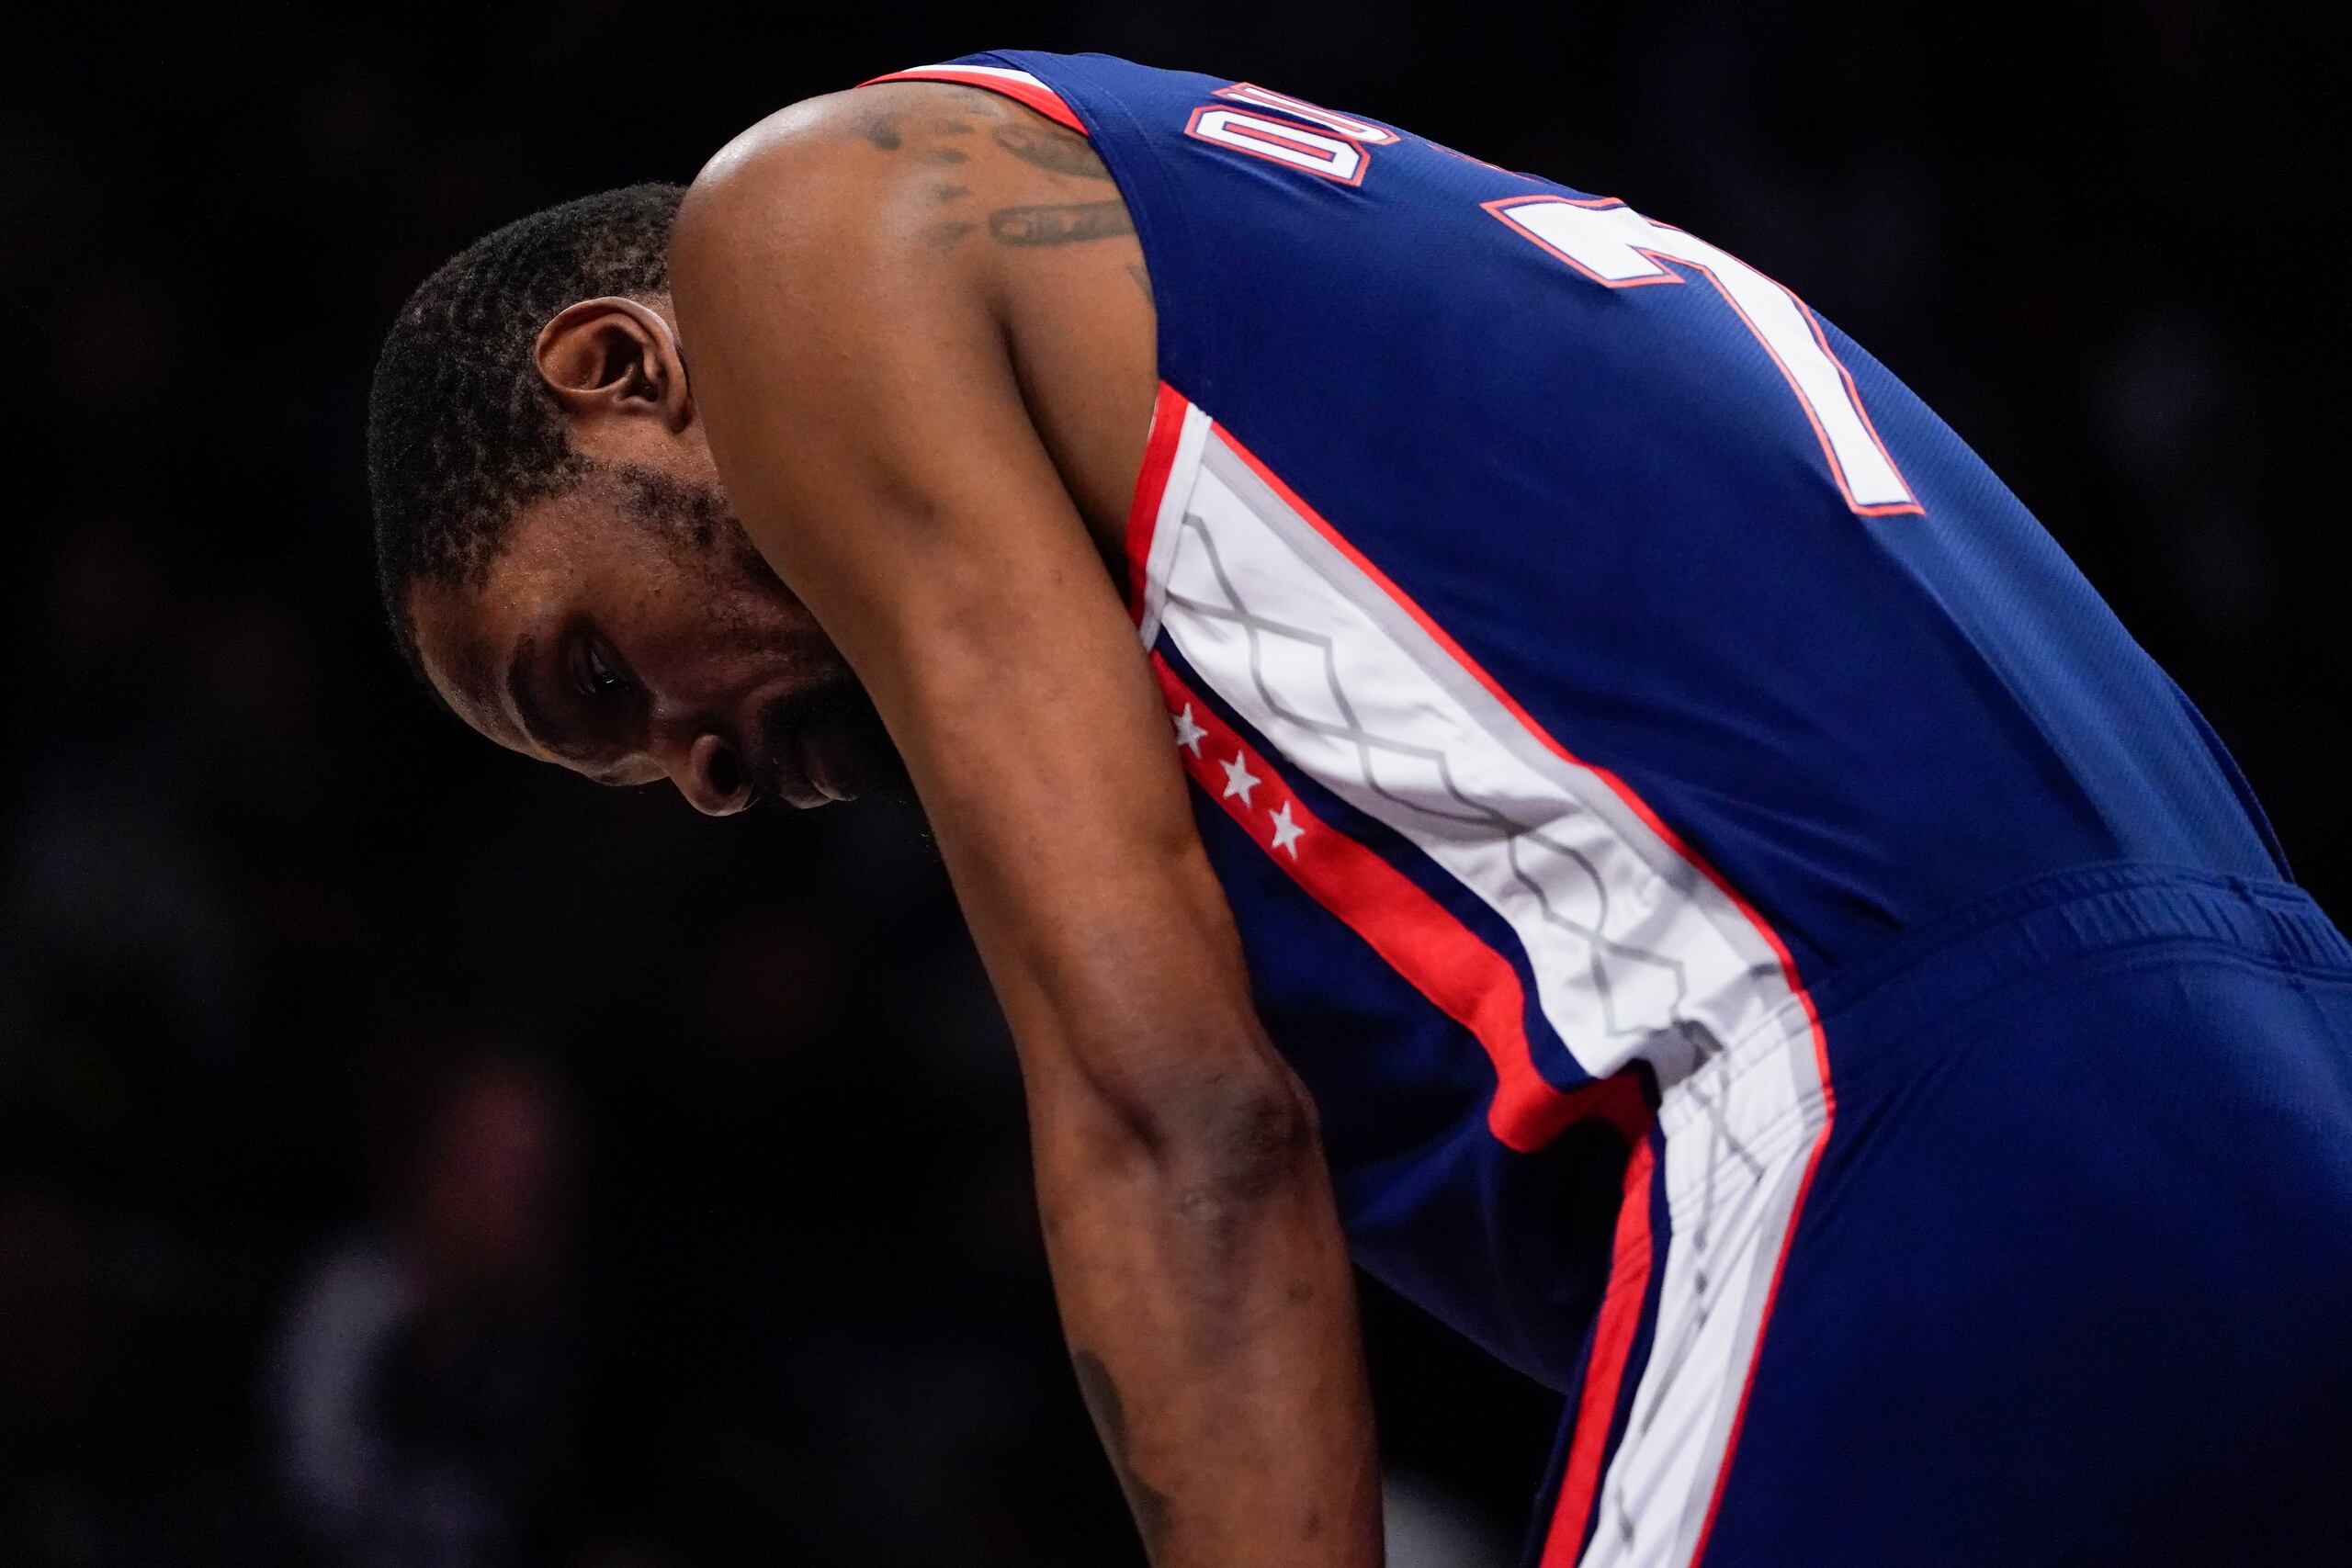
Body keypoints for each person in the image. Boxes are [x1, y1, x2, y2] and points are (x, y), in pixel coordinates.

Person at [364, 52, 2352, 1568]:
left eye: (599, 677)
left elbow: (1179, 1125)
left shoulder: (796, 226)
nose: (691, 769)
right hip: (2283, 1085)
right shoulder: (1261, 291)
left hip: (1871, 1119)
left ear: (624, 370)